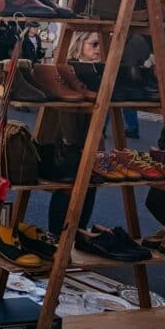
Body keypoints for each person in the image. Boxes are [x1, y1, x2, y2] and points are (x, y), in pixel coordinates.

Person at [47, 31, 100, 234]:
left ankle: (77, 234)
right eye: (93, 44)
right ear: (80, 44)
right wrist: (71, 141)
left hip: (90, 138)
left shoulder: (96, 71)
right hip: (70, 140)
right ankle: (58, 236)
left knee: (88, 188)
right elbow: (65, 113)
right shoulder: (68, 71)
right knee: (68, 189)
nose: (98, 50)